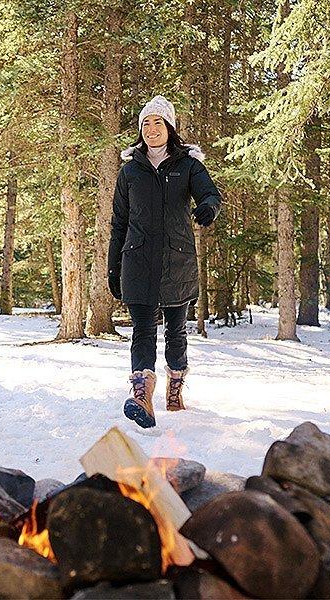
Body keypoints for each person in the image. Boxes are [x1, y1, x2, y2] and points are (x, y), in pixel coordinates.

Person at [108, 95, 223, 429]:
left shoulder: (188, 166)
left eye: (158, 122)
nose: (151, 129)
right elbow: (118, 222)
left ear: (170, 127)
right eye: (146, 123)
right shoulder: (130, 171)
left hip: (177, 262)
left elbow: (210, 195)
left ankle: (174, 389)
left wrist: (208, 208)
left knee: (175, 333)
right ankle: (142, 396)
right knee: (142, 331)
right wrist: (113, 265)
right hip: (138, 261)